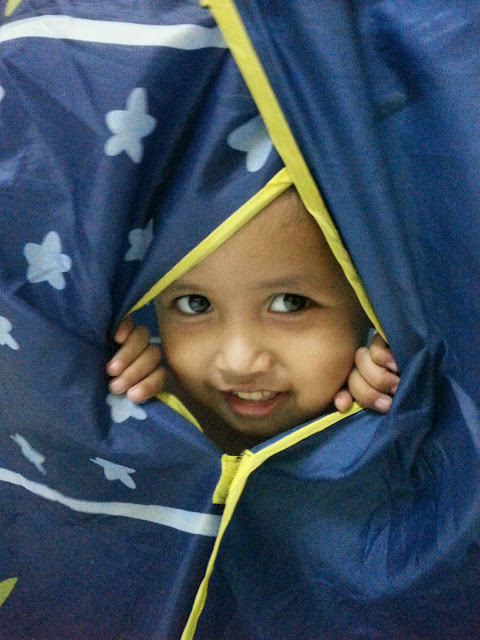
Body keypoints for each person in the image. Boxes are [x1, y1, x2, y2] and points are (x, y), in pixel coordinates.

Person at [107, 188, 399, 452]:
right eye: (195, 304)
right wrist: (116, 384)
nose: (239, 364)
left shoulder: (386, 401)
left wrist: (392, 388)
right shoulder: (149, 398)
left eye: (290, 303)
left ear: (371, 303)